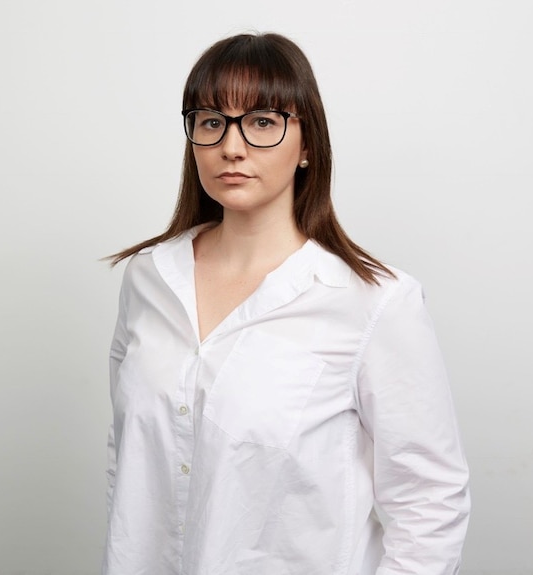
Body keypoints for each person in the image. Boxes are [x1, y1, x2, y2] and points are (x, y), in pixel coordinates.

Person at [103, 31, 470, 575]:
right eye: (211, 121)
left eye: (263, 122)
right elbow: (129, 458)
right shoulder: (149, 278)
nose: (232, 146)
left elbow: (430, 499)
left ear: (307, 146)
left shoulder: (374, 302)